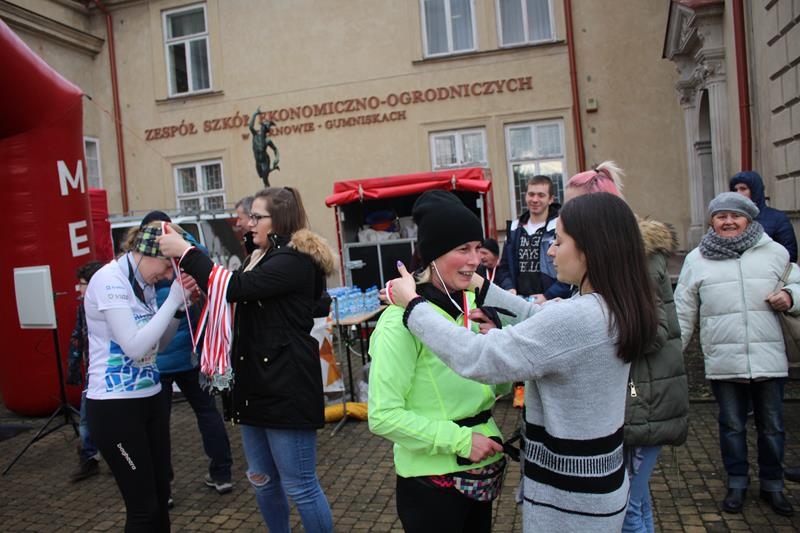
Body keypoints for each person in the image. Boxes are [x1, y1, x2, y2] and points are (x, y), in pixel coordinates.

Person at [386, 192, 658, 531]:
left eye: (559, 241)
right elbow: (538, 317)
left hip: (569, 502)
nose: (551, 251)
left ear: (590, 250)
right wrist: (479, 283)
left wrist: (413, 306)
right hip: (599, 488)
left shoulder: (577, 318)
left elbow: (478, 356)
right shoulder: (612, 306)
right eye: (463, 249)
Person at [158, 186, 335, 533]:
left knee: (300, 485)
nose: (248, 223)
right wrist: (188, 245)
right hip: (254, 386)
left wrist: (187, 252)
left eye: (256, 217)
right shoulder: (262, 257)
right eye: (249, 216)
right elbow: (231, 284)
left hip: (286, 388)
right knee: (261, 480)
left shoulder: (293, 260)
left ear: (279, 219)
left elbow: (235, 287)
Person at [368, 190, 508, 533]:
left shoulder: (473, 306)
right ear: (433, 255)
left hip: (481, 469)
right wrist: (462, 441)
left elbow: (497, 389)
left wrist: (499, 345)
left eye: (478, 248)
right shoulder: (399, 321)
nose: (475, 259)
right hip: (432, 482)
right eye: (463, 249)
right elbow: (382, 415)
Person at [565, 162, 689, 533]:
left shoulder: (637, 258)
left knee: (626, 509)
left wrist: (591, 329)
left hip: (641, 399)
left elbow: (654, 331)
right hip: (634, 397)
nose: (565, 218)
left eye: (573, 209)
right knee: (637, 502)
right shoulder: (612, 255)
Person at [675, 192, 799, 517]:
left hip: (769, 356)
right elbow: (683, 311)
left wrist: (790, 296)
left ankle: (773, 485)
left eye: (735, 216)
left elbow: (798, 285)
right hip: (723, 359)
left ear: (749, 219)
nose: (728, 222)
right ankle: (737, 483)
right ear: (712, 222)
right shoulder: (696, 259)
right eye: (721, 216)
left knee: (772, 427)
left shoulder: (775, 252)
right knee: (732, 426)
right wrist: (672, 355)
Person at [84, 221, 191, 532]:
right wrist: (172, 300)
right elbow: (134, 347)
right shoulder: (110, 280)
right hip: (115, 408)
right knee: (143, 508)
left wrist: (178, 310)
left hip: (150, 399)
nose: (169, 276)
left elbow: (158, 345)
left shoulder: (145, 283)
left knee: (161, 496)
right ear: (147, 253)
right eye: (168, 266)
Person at [134, 211, 234, 500]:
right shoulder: (194, 253)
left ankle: (163, 488)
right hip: (192, 352)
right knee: (207, 412)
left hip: (160, 358)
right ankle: (222, 474)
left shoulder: (146, 262)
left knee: (158, 424)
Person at [496, 175, 572, 303]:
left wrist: (548, 296)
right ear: (525, 196)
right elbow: (504, 268)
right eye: (531, 194)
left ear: (551, 199)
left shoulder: (560, 227)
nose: (535, 200)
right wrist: (509, 288)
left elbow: (570, 269)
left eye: (541, 195)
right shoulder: (514, 228)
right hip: (520, 302)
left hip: (552, 302)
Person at [66, 259, 105, 483]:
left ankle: (120, 457)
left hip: (108, 372)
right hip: (92, 372)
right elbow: (77, 336)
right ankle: (90, 459)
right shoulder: (83, 307)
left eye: (82, 283)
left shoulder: (110, 306)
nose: (78, 288)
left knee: (109, 420)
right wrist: (73, 368)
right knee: (86, 420)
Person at [729, 171, 797, 262]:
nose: (738, 194)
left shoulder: (778, 219)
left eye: (743, 189)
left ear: (755, 190)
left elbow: (789, 255)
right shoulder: (727, 219)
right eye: (735, 190)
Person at [249, 108, 280, 187]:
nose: (261, 128)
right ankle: (273, 169)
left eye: (263, 127)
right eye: (262, 126)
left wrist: (277, 158)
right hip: (258, 161)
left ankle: (267, 191)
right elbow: (250, 127)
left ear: (265, 129)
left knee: (265, 180)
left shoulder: (267, 140)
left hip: (265, 161)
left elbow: (275, 149)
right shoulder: (255, 135)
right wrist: (255, 114)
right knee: (261, 176)